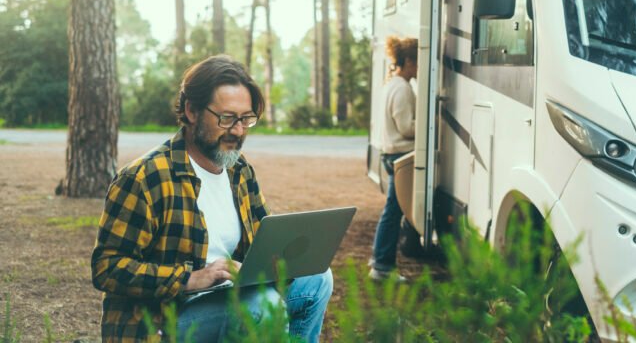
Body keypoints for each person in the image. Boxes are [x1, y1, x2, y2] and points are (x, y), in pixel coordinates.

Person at [91, 55, 333, 342]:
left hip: (229, 298)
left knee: (318, 280)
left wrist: (275, 263)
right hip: (163, 320)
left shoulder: (240, 171)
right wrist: (189, 279)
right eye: (227, 118)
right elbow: (107, 267)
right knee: (259, 305)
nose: (238, 131)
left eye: (246, 119)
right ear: (192, 111)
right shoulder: (144, 178)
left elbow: (261, 241)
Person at [369, 36, 418, 281]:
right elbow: (406, 127)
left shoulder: (392, 85)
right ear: (408, 61)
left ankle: (379, 259)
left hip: (390, 154)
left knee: (393, 210)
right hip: (401, 155)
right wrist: (433, 125)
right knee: (393, 211)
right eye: (418, 61)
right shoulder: (402, 88)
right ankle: (382, 266)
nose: (420, 67)